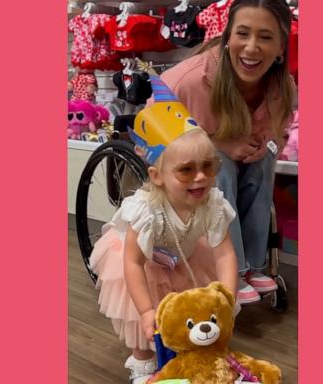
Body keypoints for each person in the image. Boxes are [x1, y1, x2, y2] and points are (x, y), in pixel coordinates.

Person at [90, 76, 239, 384]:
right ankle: (142, 365)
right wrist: (145, 311)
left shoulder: (212, 203)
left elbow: (224, 253)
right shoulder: (146, 210)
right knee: (142, 325)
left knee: (187, 307)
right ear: (157, 176)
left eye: (208, 167)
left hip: (184, 252)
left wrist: (225, 296)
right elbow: (132, 262)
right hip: (138, 262)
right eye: (186, 169)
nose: (200, 177)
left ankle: (185, 356)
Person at [158, 0, 296, 304]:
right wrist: (215, 145)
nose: (251, 48)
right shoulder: (187, 81)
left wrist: (265, 147)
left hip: (243, 165)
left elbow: (280, 135)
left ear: (281, 48)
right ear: (228, 37)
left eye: (265, 37)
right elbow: (157, 136)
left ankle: (253, 267)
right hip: (184, 166)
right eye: (242, 34)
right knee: (219, 167)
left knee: (264, 163)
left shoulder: (282, 87)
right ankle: (232, 268)